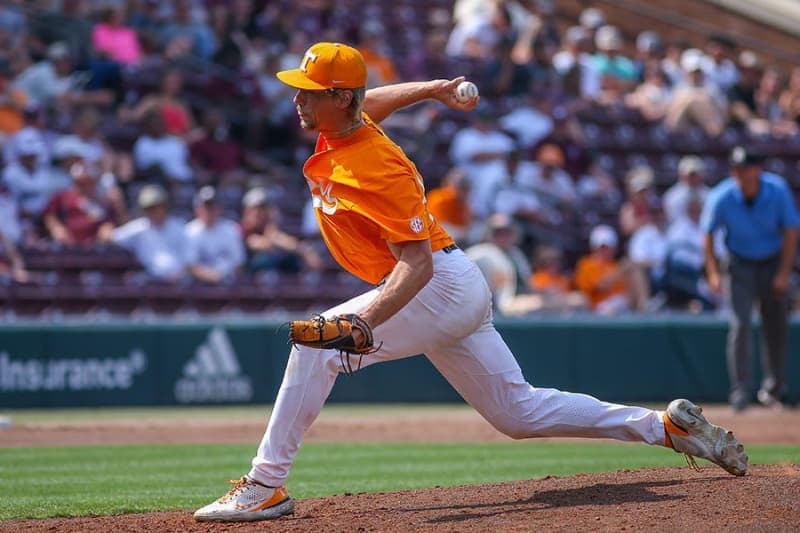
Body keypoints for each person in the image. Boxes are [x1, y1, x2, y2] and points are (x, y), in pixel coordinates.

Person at [193, 42, 748, 523]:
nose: (298, 98)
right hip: (449, 283)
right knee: (518, 413)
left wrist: (364, 321)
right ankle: (664, 428)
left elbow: (417, 265)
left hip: (433, 284)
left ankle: (264, 485)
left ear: (340, 99)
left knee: (316, 348)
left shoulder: (375, 166)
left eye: (311, 91)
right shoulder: (349, 125)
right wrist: (433, 88)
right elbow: (372, 101)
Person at [701, 146, 799, 411]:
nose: (740, 174)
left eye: (744, 168)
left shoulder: (777, 189)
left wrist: (783, 272)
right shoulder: (721, 195)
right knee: (740, 324)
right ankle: (741, 391)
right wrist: (712, 272)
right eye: (736, 169)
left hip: (772, 262)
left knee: (776, 326)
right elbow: (707, 233)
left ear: (758, 169)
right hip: (739, 264)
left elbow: (791, 231)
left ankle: (775, 389)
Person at [185, 186, 245, 284]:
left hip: (228, 283)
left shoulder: (231, 229)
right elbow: (190, 265)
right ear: (197, 210)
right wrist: (212, 276)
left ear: (220, 208)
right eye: (206, 207)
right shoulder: (189, 231)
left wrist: (223, 276)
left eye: (213, 207)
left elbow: (239, 263)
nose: (209, 211)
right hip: (198, 284)